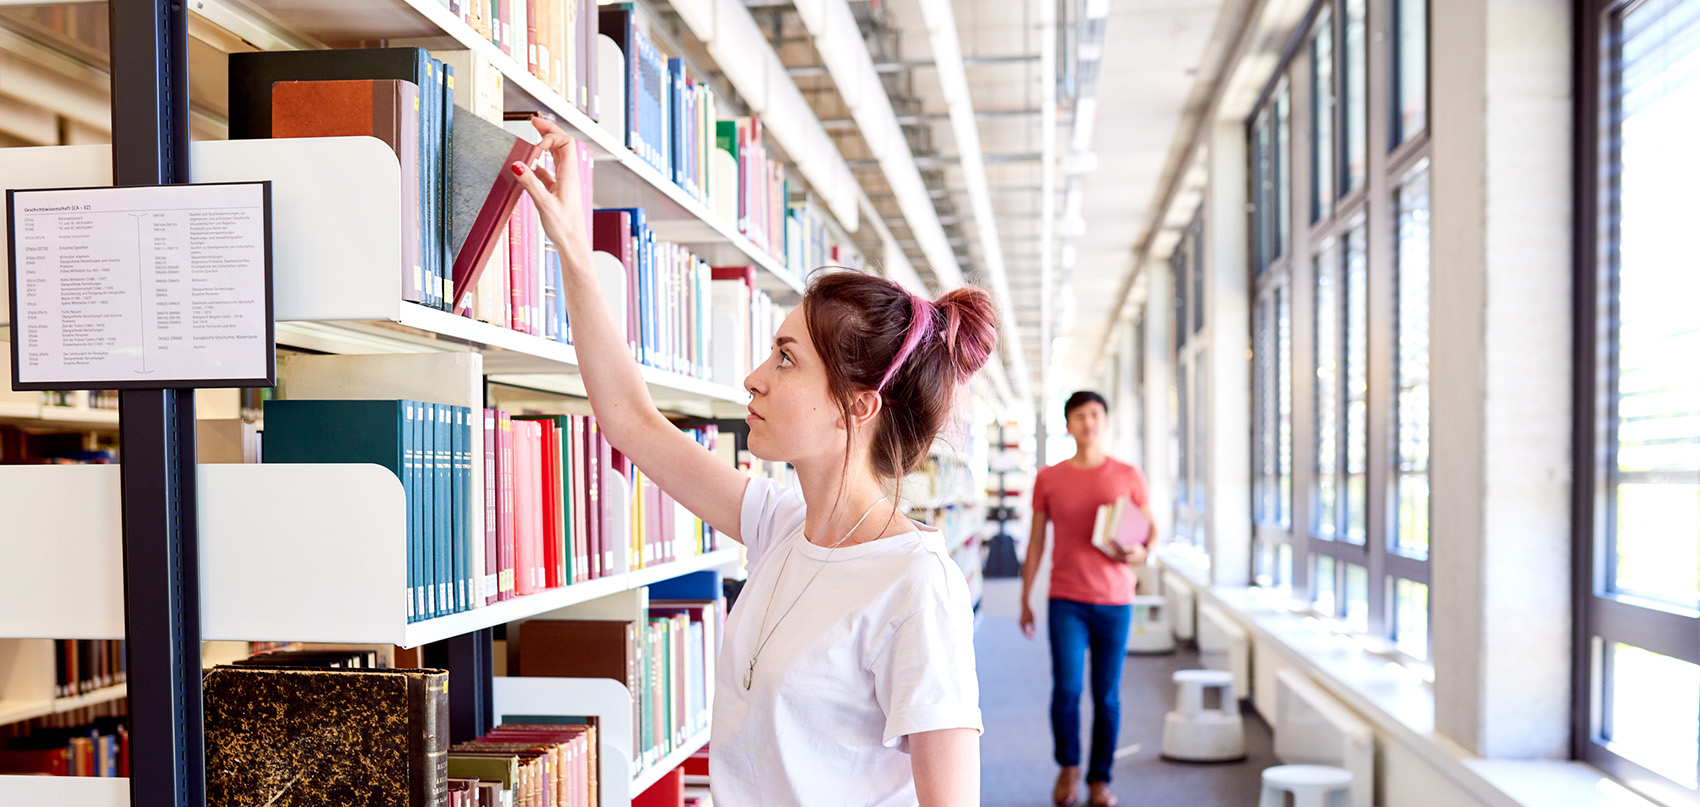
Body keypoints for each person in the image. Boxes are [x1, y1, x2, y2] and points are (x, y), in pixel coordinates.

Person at [513, 116, 994, 807]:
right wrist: (572, 247)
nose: (753, 377)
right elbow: (631, 421)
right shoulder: (781, 525)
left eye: (787, 359)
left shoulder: (916, 584)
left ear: (857, 405)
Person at [1019, 391, 1155, 807]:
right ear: (1068, 424)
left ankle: (1100, 779)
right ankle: (1069, 767)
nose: (1088, 422)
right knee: (1066, 689)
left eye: (1095, 414)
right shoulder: (1049, 478)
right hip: (1067, 600)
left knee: (1107, 694)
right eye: (1079, 416)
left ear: (1106, 421)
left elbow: (1150, 533)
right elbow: (1037, 542)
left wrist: (1141, 553)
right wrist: (1026, 597)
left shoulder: (1129, 474)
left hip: (1116, 599)